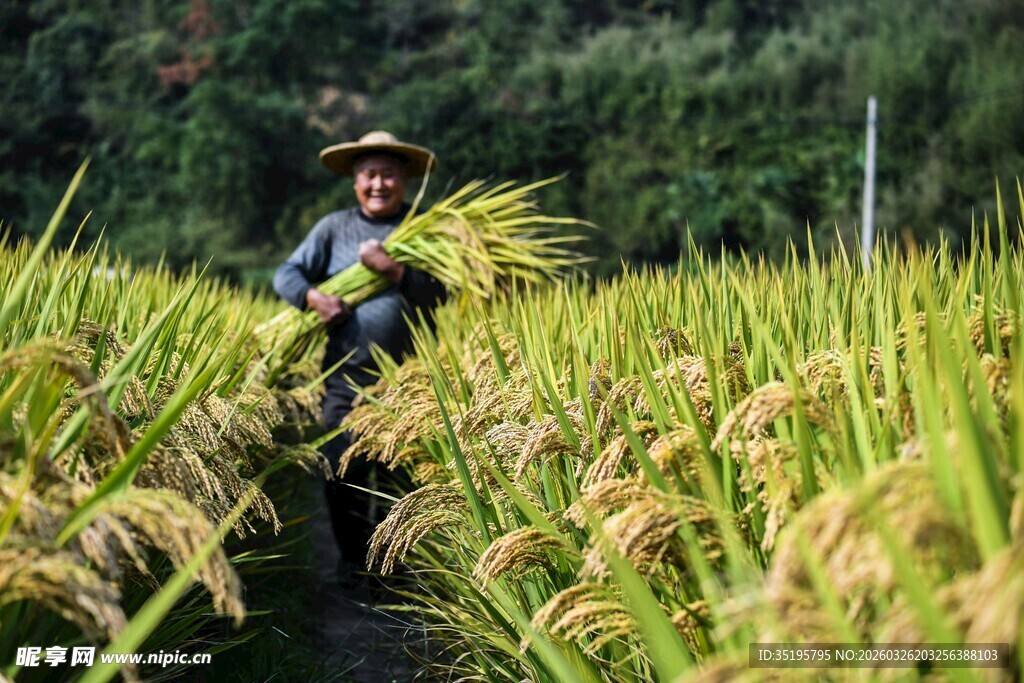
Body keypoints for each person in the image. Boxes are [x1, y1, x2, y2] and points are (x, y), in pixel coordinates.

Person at [273, 131, 446, 584]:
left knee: (398, 478)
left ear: (404, 180)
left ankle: (392, 570)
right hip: (345, 377)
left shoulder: (426, 231)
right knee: (342, 472)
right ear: (355, 181)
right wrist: (313, 298)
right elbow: (287, 273)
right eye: (369, 174)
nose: (378, 184)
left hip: (409, 383)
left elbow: (447, 292)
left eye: (388, 174)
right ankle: (352, 564)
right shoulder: (334, 228)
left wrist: (394, 271)